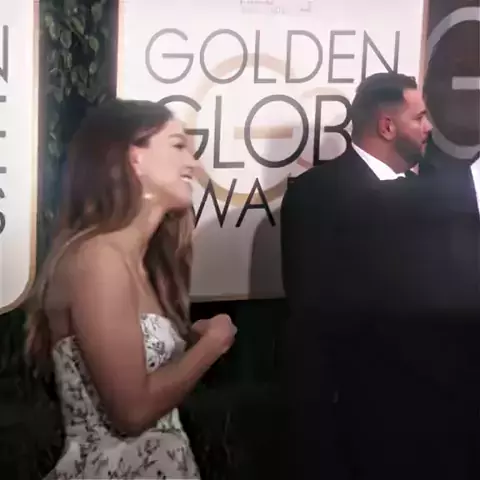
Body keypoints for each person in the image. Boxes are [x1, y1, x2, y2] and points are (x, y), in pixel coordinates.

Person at [281, 73, 480, 479]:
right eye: (419, 117)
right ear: (387, 126)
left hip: (451, 423)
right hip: (366, 424)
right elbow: (314, 316)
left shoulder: (444, 187)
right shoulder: (317, 193)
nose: (429, 127)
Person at [24, 99, 237, 479]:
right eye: (177, 146)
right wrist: (211, 345)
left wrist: (189, 341)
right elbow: (132, 411)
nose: (193, 164)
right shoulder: (98, 259)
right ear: (134, 159)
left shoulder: (135, 262)